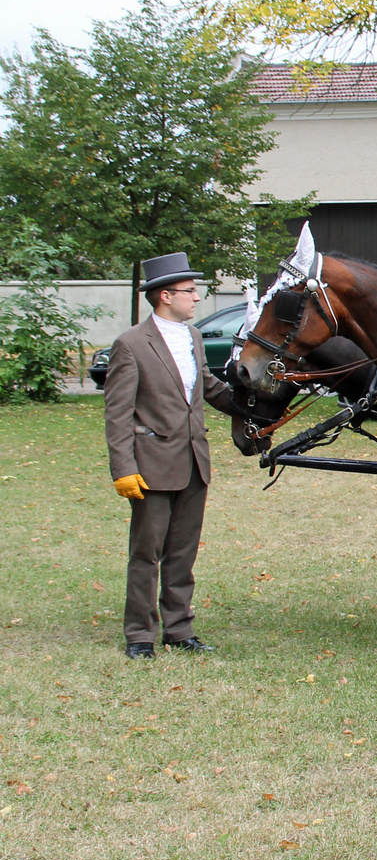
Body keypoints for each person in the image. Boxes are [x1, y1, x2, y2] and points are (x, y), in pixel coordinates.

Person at [104, 253, 236, 659]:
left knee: (183, 551)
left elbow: (210, 388)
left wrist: (256, 406)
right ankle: (140, 635)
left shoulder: (193, 337)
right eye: (190, 292)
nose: (196, 298)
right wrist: (124, 468)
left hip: (194, 461)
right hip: (151, 467)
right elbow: (117, 412)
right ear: (166, 295)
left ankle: (179, 630)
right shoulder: (130, 344)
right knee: (147, 552)